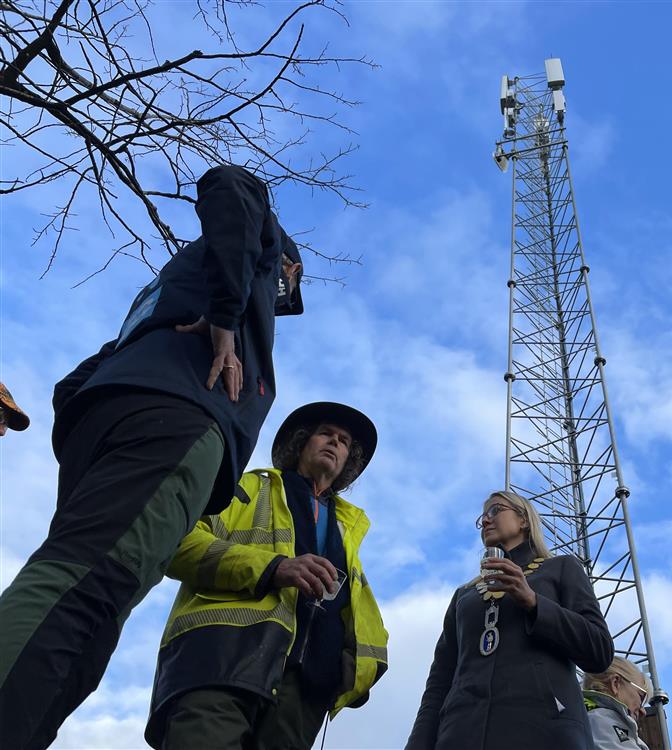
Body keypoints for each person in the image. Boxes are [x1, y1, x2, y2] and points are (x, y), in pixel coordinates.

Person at [0, 165, 304, 750]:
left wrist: (90, 431)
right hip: (177, 422)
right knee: (86, 582)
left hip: (115, 424)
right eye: (290, 287)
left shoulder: (158, 305)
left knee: (92, 608)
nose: (285, 296)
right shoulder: (250, 267)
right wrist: (223, 320)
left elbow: (72, 387)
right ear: (287, 266)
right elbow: (232, 186)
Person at [145, 402, 388, 749]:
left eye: (344, 441)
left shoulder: (347, 532)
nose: (335, 442)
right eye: (325, 433)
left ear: (349, 461)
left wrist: (356, 671)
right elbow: (175, 544)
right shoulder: (245, 488)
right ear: (301, 442)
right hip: (219, 662)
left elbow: (368, 623)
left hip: (303, 694)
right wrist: (274, 567)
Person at [405, 490, 614, 750]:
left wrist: (534, 603)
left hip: (543, 731)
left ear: (524, 520)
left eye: (495, 511)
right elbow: (439, 681)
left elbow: (599, 651)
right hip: (460, 733)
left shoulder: (561, 569)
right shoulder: (464, 595)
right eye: (482, 517)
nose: (486, 521)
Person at [583, 657, 651, 750]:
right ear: (615, 683)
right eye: (642, 697)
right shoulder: (601, 721)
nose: (643, 711)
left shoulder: (591, 719)